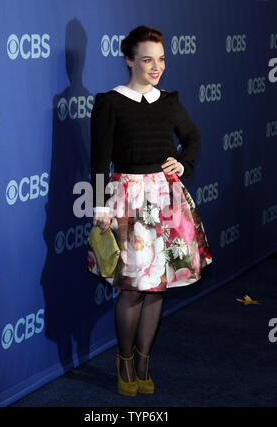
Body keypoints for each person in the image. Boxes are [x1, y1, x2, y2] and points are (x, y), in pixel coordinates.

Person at [87, 25, 212, 397]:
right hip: (127, 199)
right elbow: (98, 159)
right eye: (147, 60)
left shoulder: (169, 101)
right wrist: (99, 206)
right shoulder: (110, 101)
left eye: (160, 59)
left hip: (166, 200)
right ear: (129, 60)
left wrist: (182, 165)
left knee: (157, 289)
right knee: (133, 289)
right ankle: (124, 360)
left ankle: (143, 361)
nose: (156, 67)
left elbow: (193, 139)